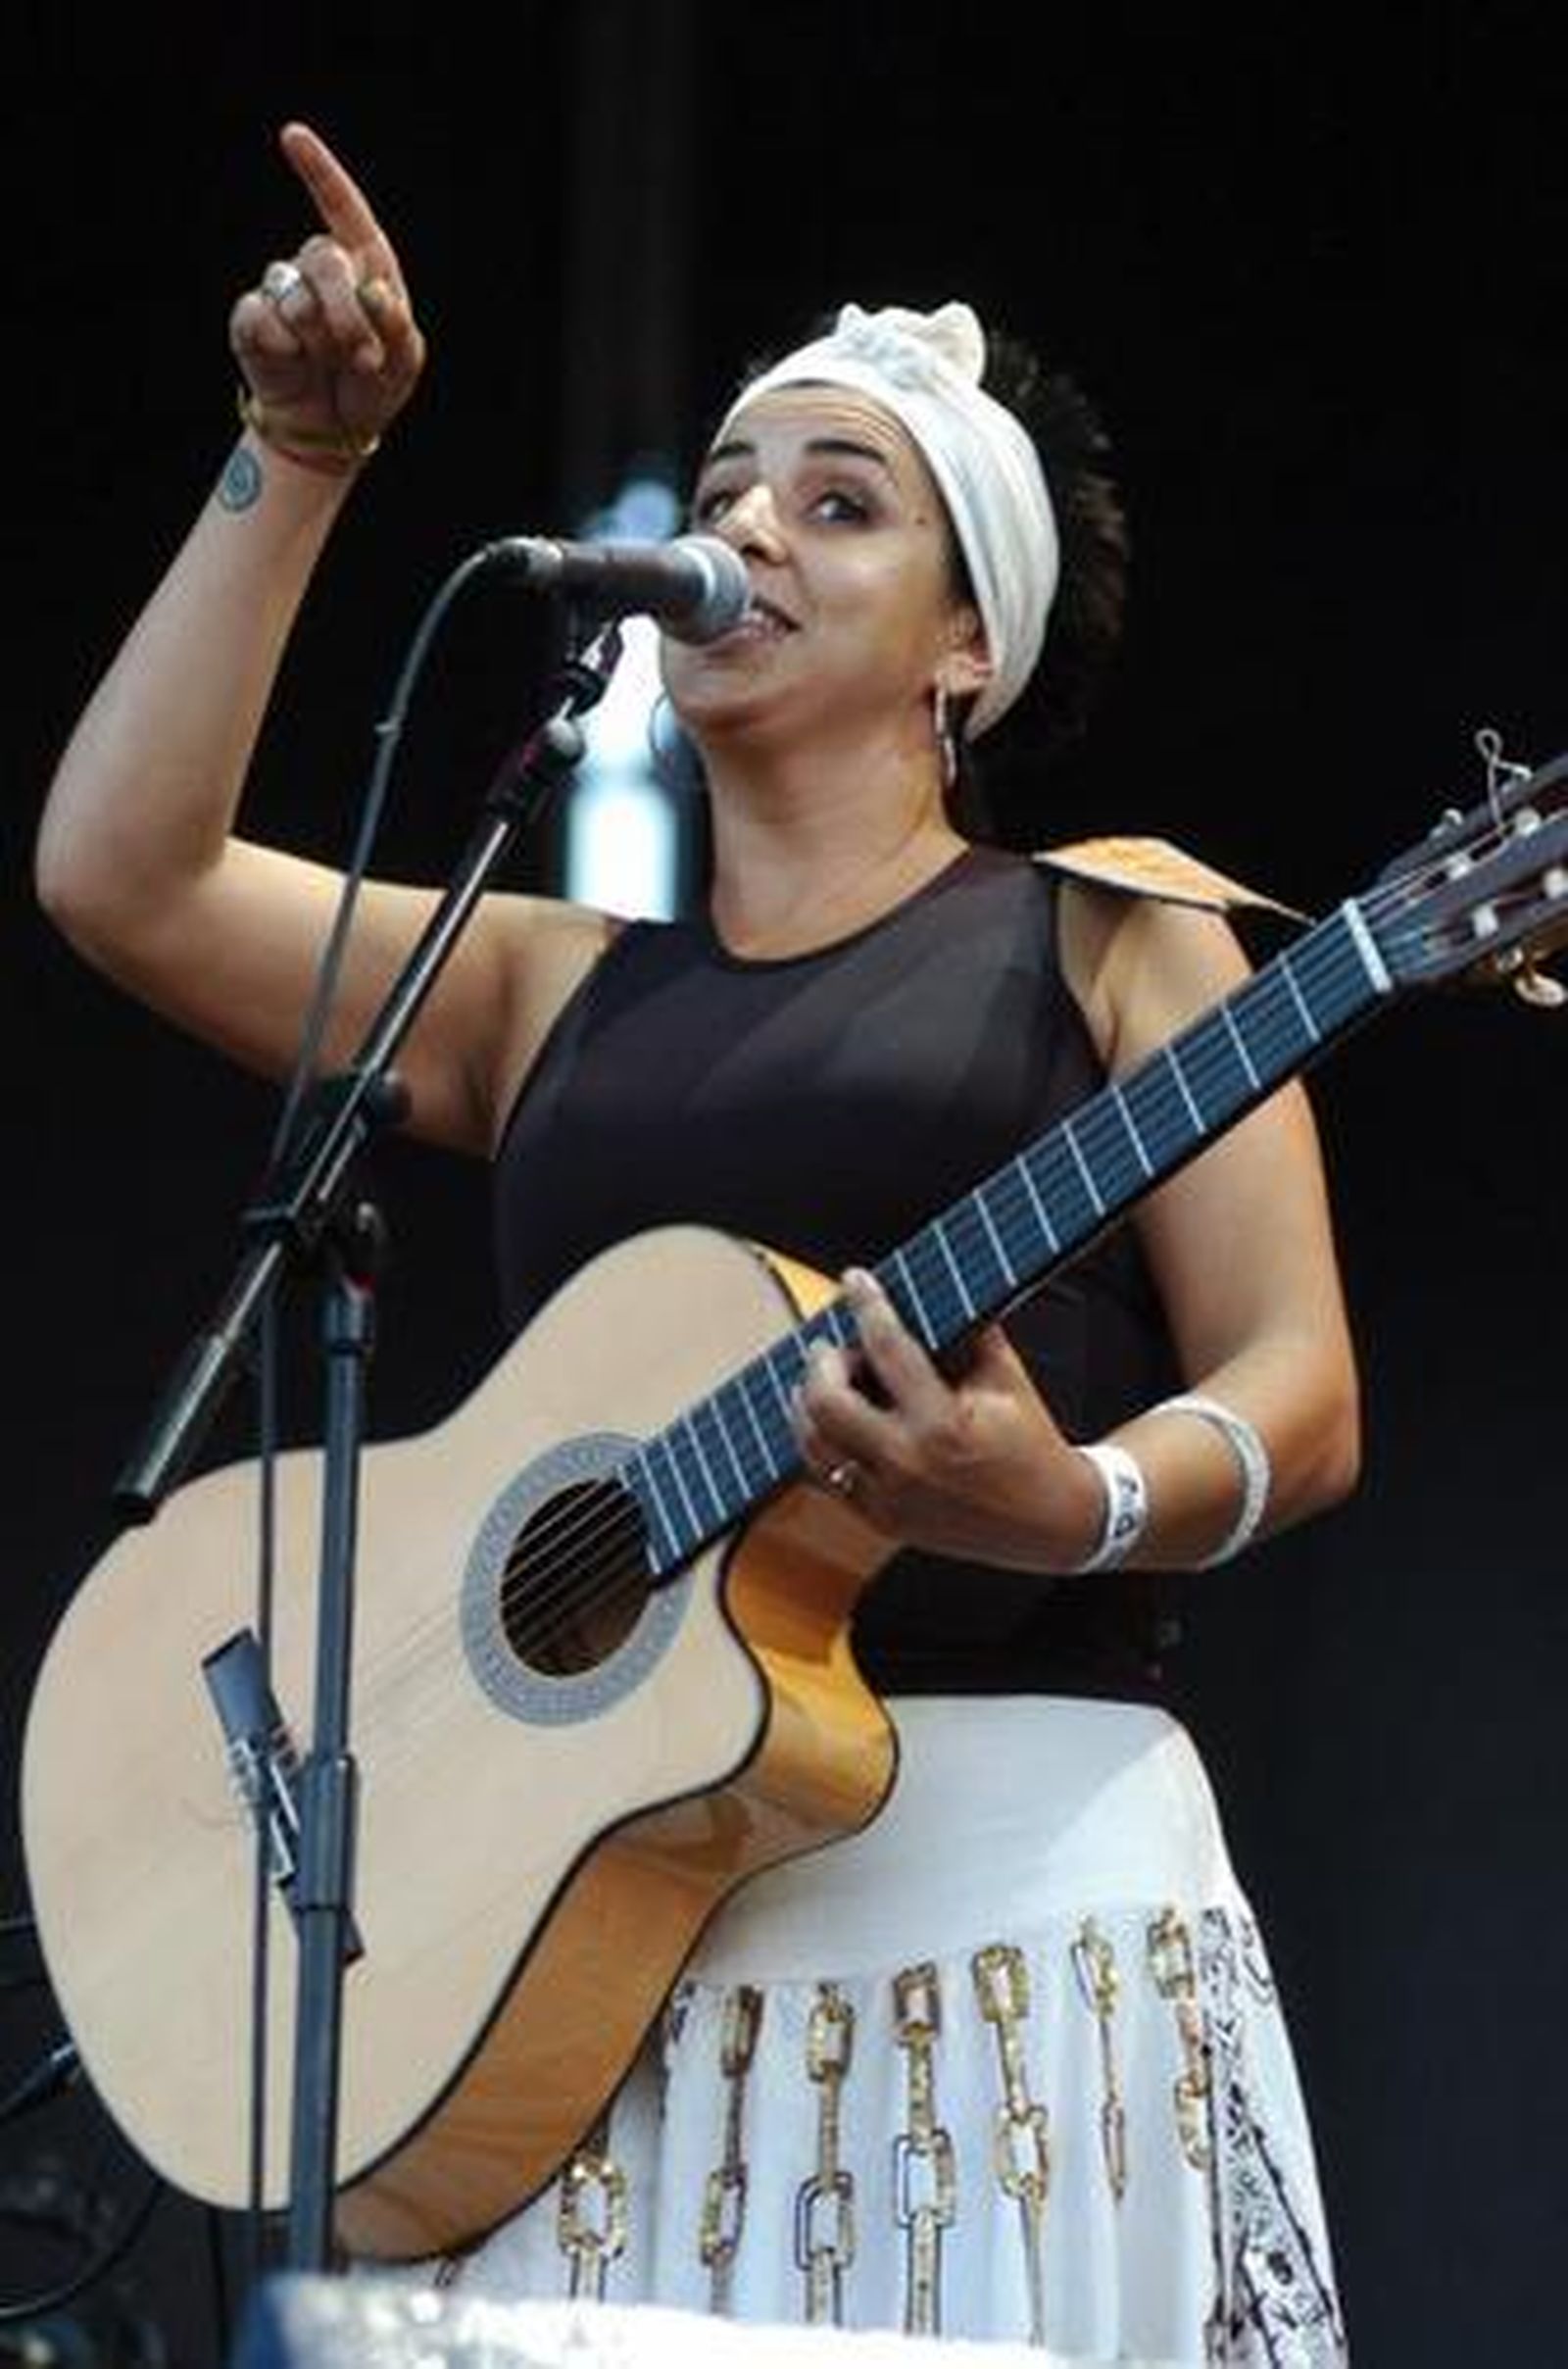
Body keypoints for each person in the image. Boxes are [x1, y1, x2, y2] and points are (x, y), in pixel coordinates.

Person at [35, 123, 1360, 2364]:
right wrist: (299, 457)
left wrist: (1070, 1501)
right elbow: (122, 874)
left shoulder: (1114, 936)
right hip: (579, 1955)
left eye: (839, 503)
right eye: (730, 487)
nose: (745, 526)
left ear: (968, 642)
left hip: (1008, 1915)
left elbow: (1296, 1386)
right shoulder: (544, 984)